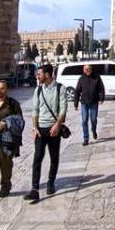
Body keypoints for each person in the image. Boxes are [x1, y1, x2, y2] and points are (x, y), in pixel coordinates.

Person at [24, 65, 67, 202]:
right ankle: (35, 189)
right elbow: (35, 110)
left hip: (54, 128)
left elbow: (63, 109)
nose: (37, 76)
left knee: (54, 157)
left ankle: (51, 182)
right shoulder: (38, 90)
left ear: (47, 75)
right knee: (37, 158)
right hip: (41, 130)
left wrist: (57, 125)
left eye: (39, 74)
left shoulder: (60, 88)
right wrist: (34, 127)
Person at [72, 64, 105, 146]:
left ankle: (93, 130)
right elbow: (77, 91)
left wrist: (101, 98)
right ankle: (86, 138)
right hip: (84, 103)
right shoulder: (81, 79)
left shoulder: (96, 77)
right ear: (84, 70)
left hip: (94, 102)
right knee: (84, 120)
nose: (88, 70)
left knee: (93, 119)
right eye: (86, 69)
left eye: (89, 69)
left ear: (91, 69)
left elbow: (101, 88)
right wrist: (76, 103)